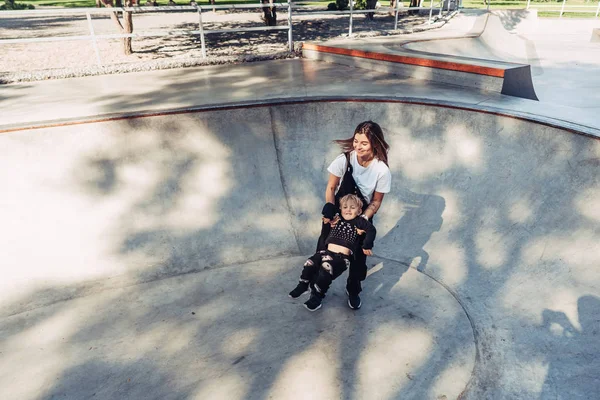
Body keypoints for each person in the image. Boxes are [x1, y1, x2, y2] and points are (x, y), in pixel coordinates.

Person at [318, 121, 391, 310]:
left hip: (362, 214)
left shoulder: (382, 170)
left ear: (374, 144)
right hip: (339, 211)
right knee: (324, 252)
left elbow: (376, 202)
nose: (358, 146)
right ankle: (317, 290)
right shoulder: (345, 159)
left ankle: (353, 290)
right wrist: (330, 210)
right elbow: (331, 187)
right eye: (356, 141)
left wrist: (363, 220)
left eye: (364, 143)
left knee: (358, 259)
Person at [289, 194, 376, 311]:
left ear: (359, 211)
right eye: (345, 207)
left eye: (352, 207)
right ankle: (303, 285)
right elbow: (328, 207)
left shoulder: (359, 222)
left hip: (341, 258)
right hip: (325, 252)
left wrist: (367, 245)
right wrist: (328, 215)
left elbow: (371, 230)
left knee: (326, 270)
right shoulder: (336, 219)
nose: (348, 210)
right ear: (340, 209)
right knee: (310, 263)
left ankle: (317, 297)